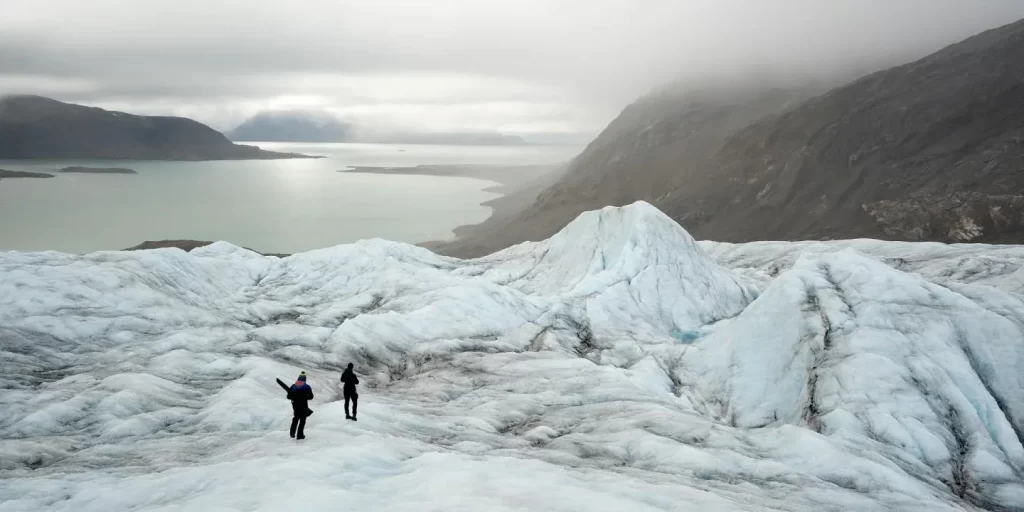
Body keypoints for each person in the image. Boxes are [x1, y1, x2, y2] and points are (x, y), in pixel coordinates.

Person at [289, 371, 314, 439]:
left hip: (295, 406)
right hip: (303, 406)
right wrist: (305, 397)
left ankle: (292, 432)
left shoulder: (293, 386)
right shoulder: (307, 387)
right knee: (302, 420)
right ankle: (300, 435)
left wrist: (294, 397)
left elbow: (289, 396)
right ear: (305, 379)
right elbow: (311, 397)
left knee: (296, 418)